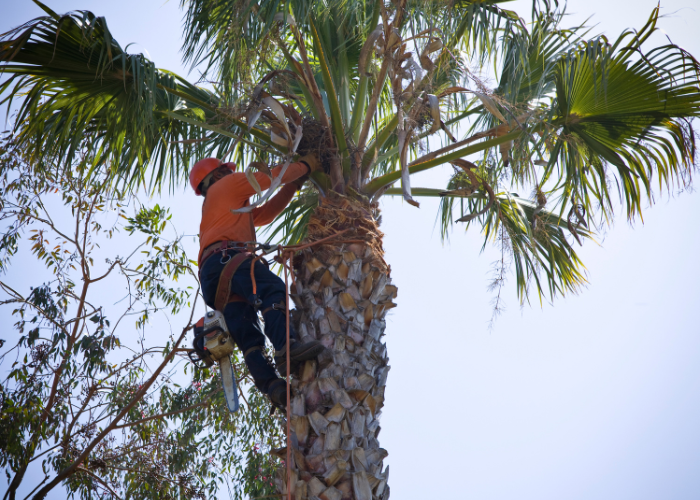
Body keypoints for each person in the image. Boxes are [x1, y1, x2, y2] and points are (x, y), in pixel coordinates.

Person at [191, 155, 324, 408]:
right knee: (272, 289)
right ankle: (286, 347)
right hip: (227, 259)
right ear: (218, 175)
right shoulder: (226, 186)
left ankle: (271, 386)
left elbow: (265, 214)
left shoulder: (219, 204)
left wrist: (295, 185)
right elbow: (267, 178)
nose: (233, 173)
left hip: (213, 277)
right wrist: (308, 164)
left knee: (249, 337)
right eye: (228, 171)